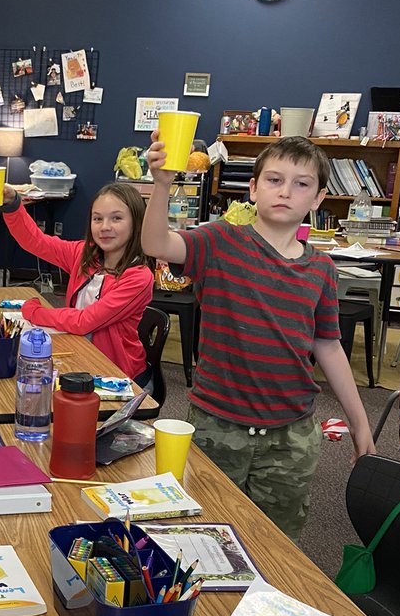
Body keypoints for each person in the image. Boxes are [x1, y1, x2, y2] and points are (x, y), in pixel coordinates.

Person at [142, 132, 375, 540]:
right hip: (218, 426)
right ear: (253, 188)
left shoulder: (320, 269)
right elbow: (156, 242)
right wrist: (162, 184)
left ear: (319, 199)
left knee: (275, 542)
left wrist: (360, 424)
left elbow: (328, 346)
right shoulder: (220, 241)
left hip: (291, 435)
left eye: (301, 184)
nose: (286, 191)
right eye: (274, 180)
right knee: (204, 533)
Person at [0, 181, 154, 381]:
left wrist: (36, 313)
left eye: (116, 218)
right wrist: (13, 206)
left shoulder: (139, 277)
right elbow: (35, 241)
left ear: (137, 223)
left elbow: (84, 321)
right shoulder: (84, 254)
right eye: (97, 218)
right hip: (81, 353)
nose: (105, 227)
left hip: (118, 374)